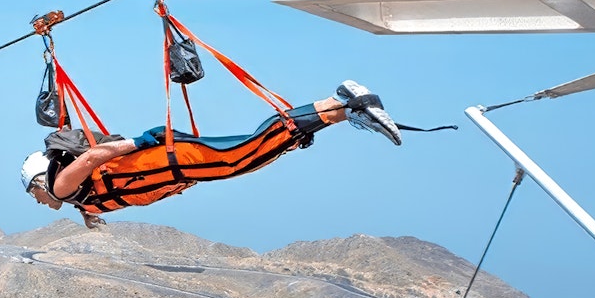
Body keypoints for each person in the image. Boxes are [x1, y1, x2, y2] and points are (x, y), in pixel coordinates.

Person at [21, 80, 400, 228]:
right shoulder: (80, 198)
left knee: (245, 153)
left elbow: (90, 159)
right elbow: (96, 192)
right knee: (252, 157)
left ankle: (340, 101)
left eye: (33, 193)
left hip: (171, 161)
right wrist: (90, 216)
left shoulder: (61, 187)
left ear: (41, 179)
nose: (40, 200)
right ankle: (343, 112)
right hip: (178, 168)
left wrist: (138, 143)